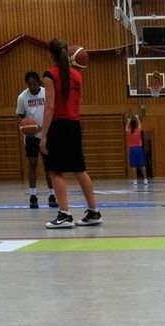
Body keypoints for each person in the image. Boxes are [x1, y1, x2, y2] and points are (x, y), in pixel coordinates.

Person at [41, 38, 101, 230]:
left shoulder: (49, 75)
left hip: (58, 125)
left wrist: (43, 135)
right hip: (74, 125)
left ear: (50, 55)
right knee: (79, 169)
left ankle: (65, 214)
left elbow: (50, 107)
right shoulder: (77, 75)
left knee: (54, 170)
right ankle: (93, 212)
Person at [15, 71, 56, 209]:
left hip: (47, 133)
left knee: (49, 166)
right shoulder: (22, 97)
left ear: (39, 82)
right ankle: (33, 196)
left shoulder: (46, 93)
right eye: (29, 84)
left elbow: (53, 110)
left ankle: (52, 195)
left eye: (34, 83)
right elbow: (19, 117)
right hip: (31, 136)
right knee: (32, 164)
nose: (32, 86)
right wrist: (27, 126)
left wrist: (44, 127)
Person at [126, 115, 148, 186]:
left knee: (133, 166)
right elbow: (140, 125)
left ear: (131, 125)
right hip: (139, 149)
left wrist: (128, 121)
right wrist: (137, 118)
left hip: (132, 149)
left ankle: (135, 180)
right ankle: (145, 179)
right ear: (135, 125)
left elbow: (126, 128)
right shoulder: (138, 131)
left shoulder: (129, 132)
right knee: (142, 165)